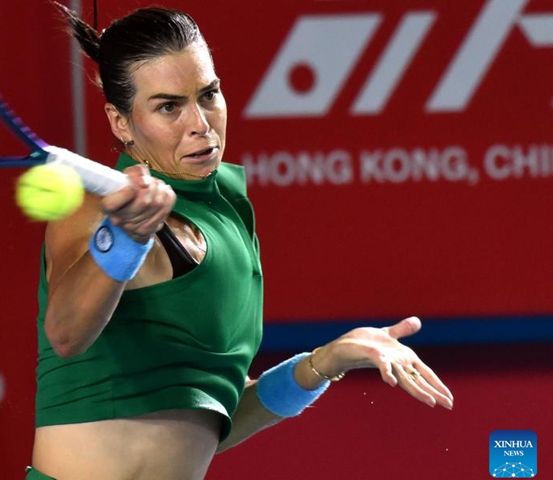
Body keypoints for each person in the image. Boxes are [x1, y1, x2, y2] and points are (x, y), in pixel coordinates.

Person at [28, 4, 454, 480]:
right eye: (169, 106)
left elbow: (211, 425)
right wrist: (125, 237)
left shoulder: (228, 215)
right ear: (121, 123)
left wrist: (322, 363)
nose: (200, 123)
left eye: (208, 95)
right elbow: (65, 333)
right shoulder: (97, 204)